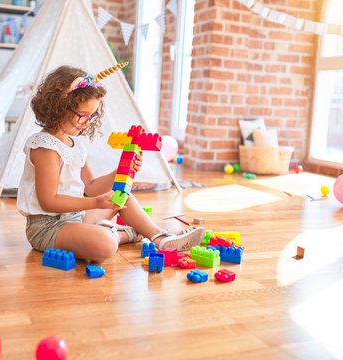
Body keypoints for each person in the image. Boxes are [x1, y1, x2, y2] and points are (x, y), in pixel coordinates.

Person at [17, 64, 205, 263]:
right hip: (48, 227)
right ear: (58, 106)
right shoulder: (46, 147)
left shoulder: (75, 145)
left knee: (124, 197)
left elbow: (91, 187)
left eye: (92, 116)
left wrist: (120, 172)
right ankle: (126, 233)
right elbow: (49, 201)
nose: (86, 122)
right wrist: (94, 203)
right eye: (82, 115)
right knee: (105, 245)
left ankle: (160, 237)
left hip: (75, 217)